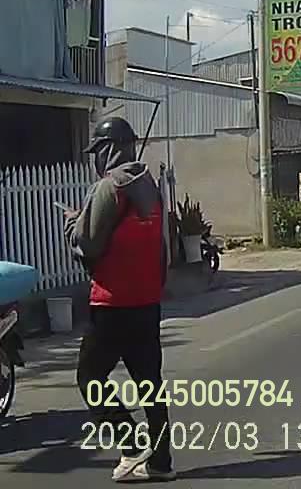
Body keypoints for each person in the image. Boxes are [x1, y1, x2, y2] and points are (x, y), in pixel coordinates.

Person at [64, 117, 176, 482]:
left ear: (109, 150)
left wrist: (72, 225)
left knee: (90, 377)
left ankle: (131, 444)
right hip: (147, 301)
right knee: (150, 384)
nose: (96, 158)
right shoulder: (151, 187)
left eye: (98, 150)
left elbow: (88, 244)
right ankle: (160, 462)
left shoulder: (108, 188)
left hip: (112, 303)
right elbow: (163, 245)